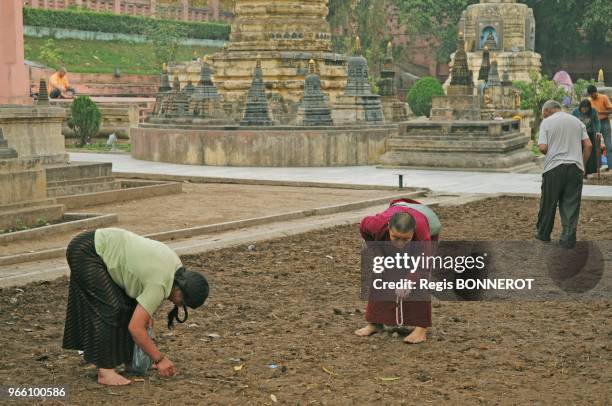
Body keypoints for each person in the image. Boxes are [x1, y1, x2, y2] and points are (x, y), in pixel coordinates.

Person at [62, 228, 210, 386]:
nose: (177, 304)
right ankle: (105, 372)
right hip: (88, 251)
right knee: (111, 309)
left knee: (128, 308)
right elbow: (135, 328)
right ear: (181, 290)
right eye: (182, 302)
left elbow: (140, 275)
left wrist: (145, 313)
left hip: (95, 245)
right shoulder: (159, 284)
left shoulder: (175, 267)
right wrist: (160, 360)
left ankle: (129, 362)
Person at [355, 198, 441, 344]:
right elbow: (363, 228)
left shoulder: (422, 234)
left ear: (413, 232)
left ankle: (421, 328)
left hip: (424, 227)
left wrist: (409, 281)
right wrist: (377, 252)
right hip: (396, 217)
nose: (399, 243)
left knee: (419, 278)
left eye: (405, 239)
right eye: (395, 238)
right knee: (381, 272)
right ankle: (375, 323)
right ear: (388, 228)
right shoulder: (376, 224)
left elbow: (423, 265)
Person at [536, 100, 592, 249]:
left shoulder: (547, 123)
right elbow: (588, 145)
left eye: (543, 114)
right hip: (575, 168)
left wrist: (553, 151)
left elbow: (542, 148)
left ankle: (543, 234)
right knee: (571, 205)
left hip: (553, 168)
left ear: (547, 111)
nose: (544, 117)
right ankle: (567, 239)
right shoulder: (577, 121)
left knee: (548, 203)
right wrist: (583, 165)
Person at [572, 99, 601, 176]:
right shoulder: (575, 112)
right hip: (578, 134)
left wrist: (598, 131)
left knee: (590, 150)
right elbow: (571, 122)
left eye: (586, 108)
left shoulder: (593, 111)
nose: (584, 110)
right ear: (580, 107)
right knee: (580, 150)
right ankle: (580, 168)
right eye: (583, 108)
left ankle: (590, 170)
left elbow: (597, 121)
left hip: (590, 133)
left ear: (589, 107)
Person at [587, 85, 612, 171]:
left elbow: (611, 110)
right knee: (596, 146)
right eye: (590, 95)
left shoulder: (603, 97)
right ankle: (598, 166)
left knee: (608, 145)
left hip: (604, 122)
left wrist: (601, 112)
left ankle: (610, 166)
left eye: (593, 94)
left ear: (596, 92)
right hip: (595, 124)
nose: (592, 96)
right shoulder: (589, 100)